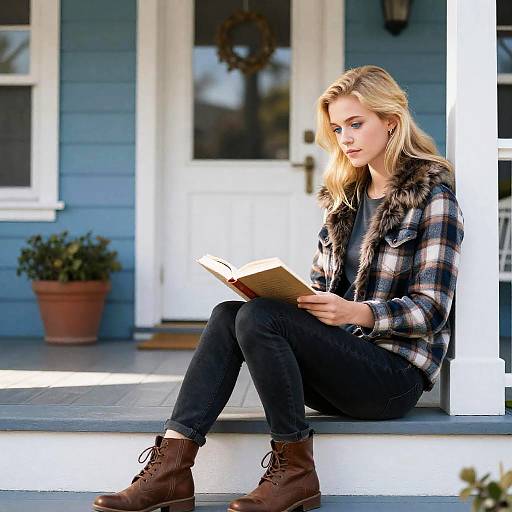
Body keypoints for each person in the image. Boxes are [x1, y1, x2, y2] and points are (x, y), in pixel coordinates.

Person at [92, 65, 464, 512]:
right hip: (338, 362)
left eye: (356, 124)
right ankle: (172, 466)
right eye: (337, 128)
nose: (345, 138)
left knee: (259, 316)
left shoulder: (432, 197)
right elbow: (320, 289)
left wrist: (355, 312)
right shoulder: (344, 198)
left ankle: (294, 471)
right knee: (231, 313)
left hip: (392, 377)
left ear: (390, 120)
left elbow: (431, 310)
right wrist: (288, 299)